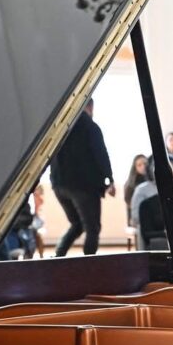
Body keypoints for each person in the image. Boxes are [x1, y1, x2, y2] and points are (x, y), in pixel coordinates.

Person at [51, 98, 114, 256]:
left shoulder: (61, 126)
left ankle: (58, 256)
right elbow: (101, 154)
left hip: (59, 185)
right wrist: (110, 179)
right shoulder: (90, 127)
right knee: (93, 228)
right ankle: (88, 263)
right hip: (83, 187)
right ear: (90, 106)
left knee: (77, 224)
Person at [122, 154, 149, 221]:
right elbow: (129, 202)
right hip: (139, 216)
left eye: (145, 164)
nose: (143, 167)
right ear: (135, 168)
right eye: (139, 165)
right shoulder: (130, 184)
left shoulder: (153, 180)